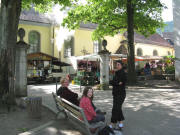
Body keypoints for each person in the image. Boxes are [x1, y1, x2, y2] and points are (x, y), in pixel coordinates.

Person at [109, 60, 127, 130]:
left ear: (121, 65)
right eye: (116, 64)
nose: (117, 65)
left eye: (118, 64)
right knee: (118, 108)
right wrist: (115, 82)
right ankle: (121, 123)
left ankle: (112, 123)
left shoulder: (124, 74)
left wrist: (114, 82)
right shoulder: (116, 73)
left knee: (115, 109)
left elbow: (119, 83)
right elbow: (114, 82)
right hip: (115, 93)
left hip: (121, 94)